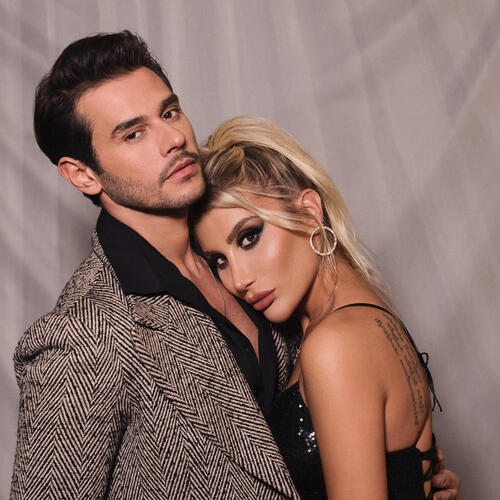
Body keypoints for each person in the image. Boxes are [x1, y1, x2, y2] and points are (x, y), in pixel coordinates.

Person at [10, 31, 460, 499]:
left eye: (169, 112)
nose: (173, 139)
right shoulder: (86, 334)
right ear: (82, 174)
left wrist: (405, 478)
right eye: (134, 133)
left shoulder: (240, 254)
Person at [191, 116, 458, 500]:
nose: (238, 279)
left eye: (249, 238)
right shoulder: (369, 318)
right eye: (219, 261)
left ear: (309, 210)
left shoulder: (336, 344)